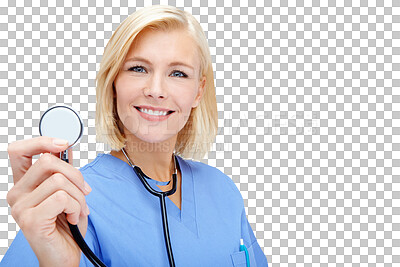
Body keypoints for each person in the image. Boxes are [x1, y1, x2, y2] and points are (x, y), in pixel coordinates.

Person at [1, 5, 268, 266]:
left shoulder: (223, 191)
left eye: (178, 73)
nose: (155, 90)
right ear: (114, 82)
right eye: (138, 69)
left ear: (198, 92)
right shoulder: (66, 201)